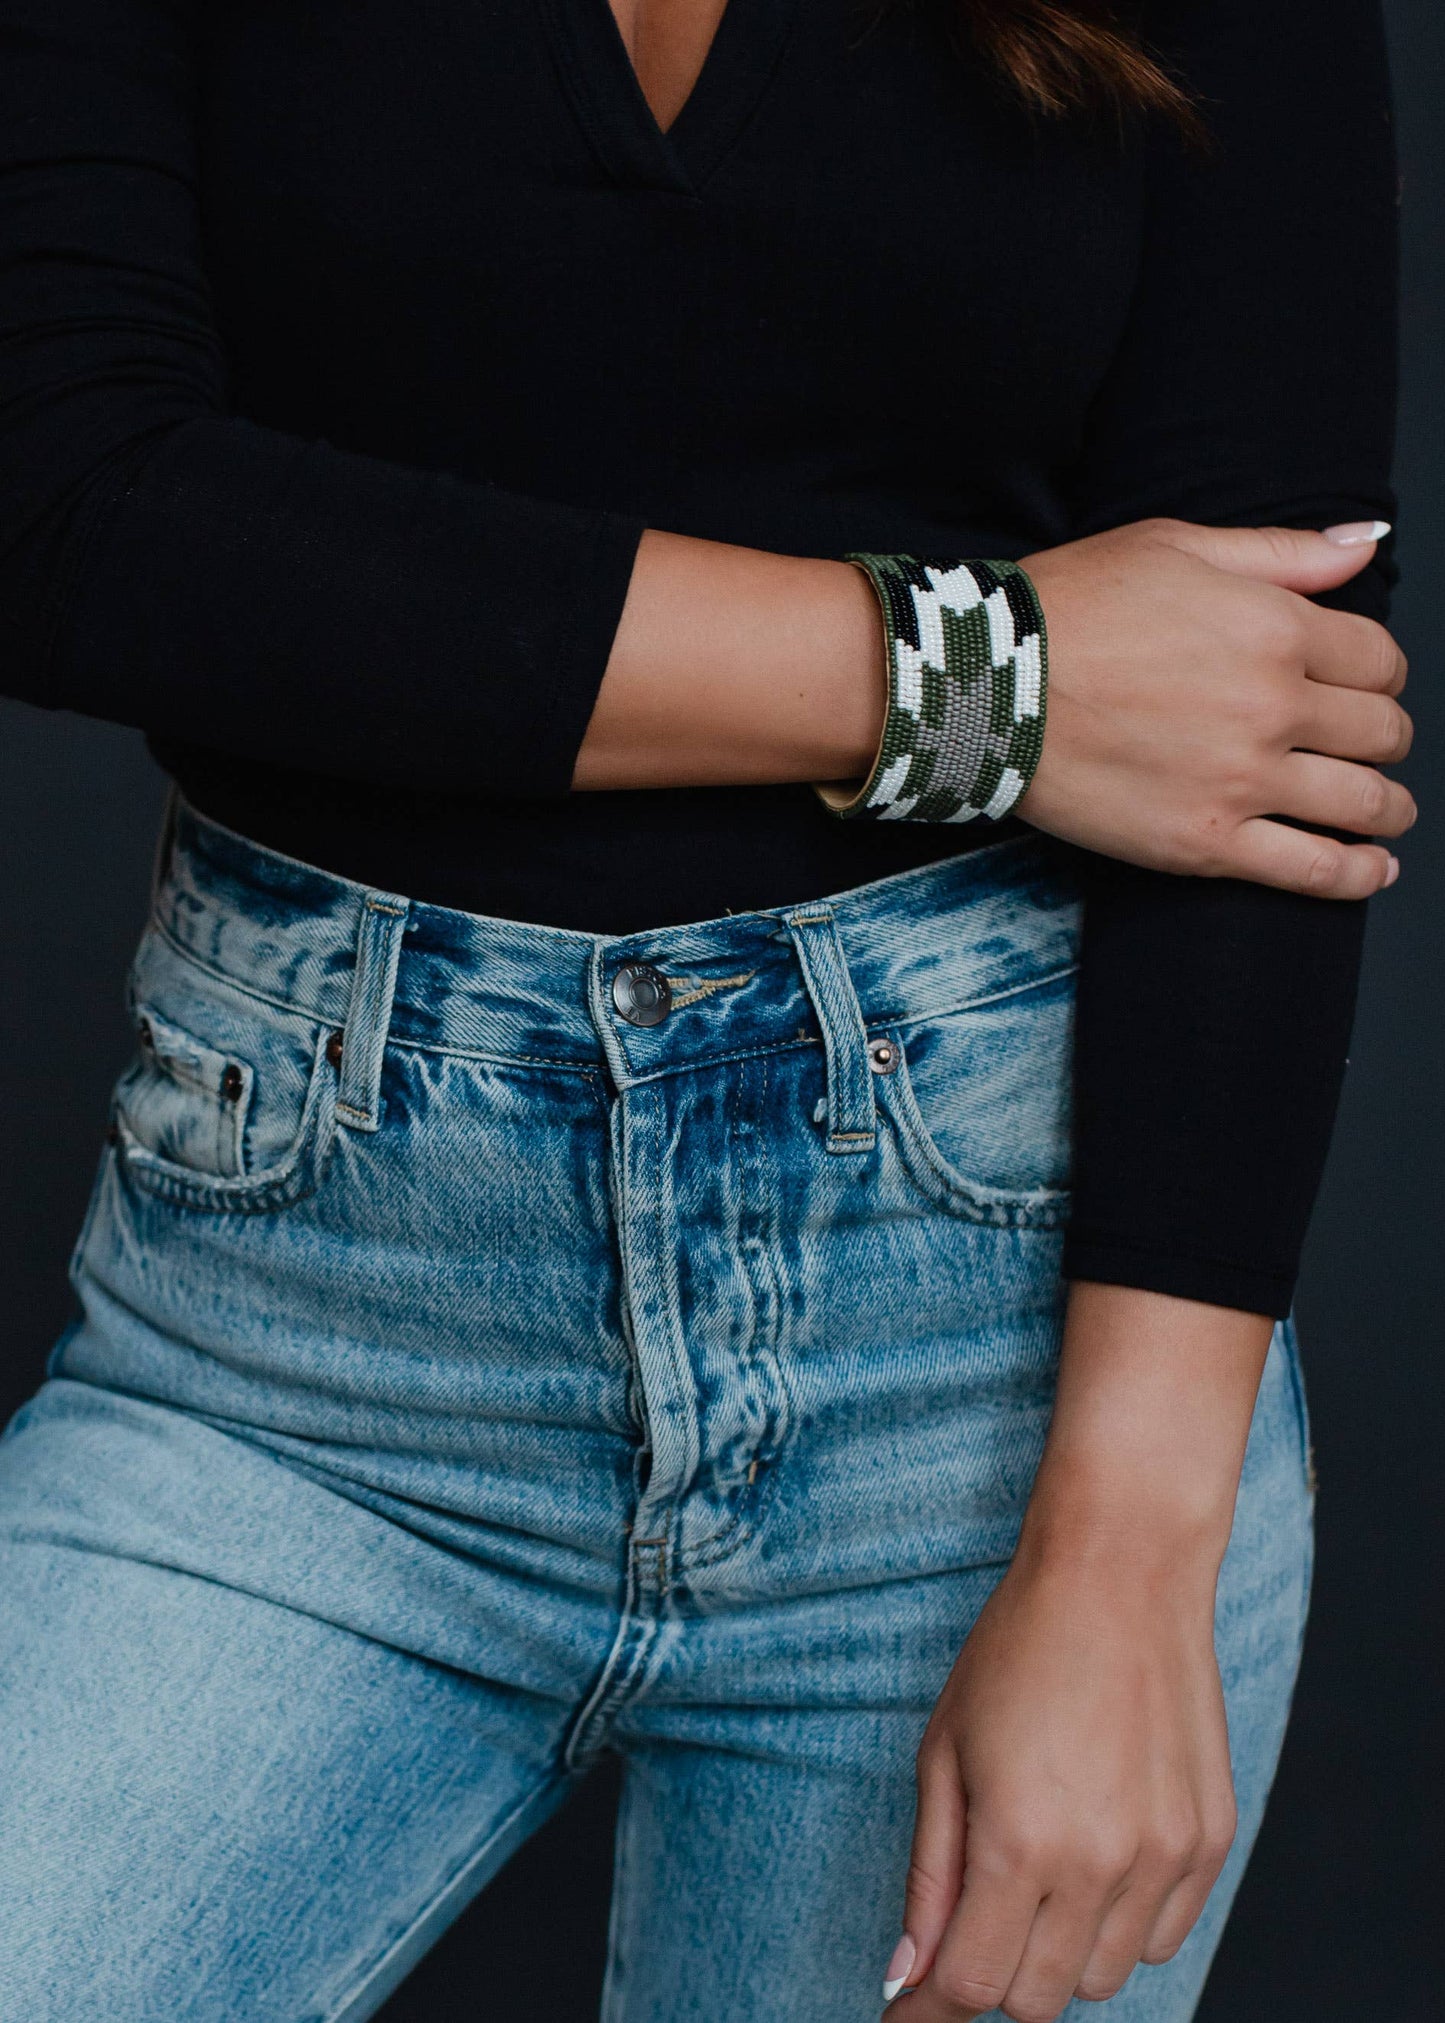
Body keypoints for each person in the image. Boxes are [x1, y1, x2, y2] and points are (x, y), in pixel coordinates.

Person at [0, 1, 1408, 2019]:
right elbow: (71, 502)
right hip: (299, 1349)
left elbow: (1263, 732)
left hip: (990, 1383)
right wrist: (978, 683)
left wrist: (1126, 1547)